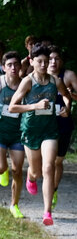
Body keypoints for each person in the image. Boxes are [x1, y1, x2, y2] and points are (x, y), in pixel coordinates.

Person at [9, 44, 73, 225]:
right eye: (40, 62)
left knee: (48, 167)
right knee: (36, 171)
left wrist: (67, 108)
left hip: (50, 130)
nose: (44, 65)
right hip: (30, 131)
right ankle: (30, 177)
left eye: (47, 61)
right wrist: (34, 106)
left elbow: (66, 95)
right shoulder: (27, 81)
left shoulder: (55, 81)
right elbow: (13, 106)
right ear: (31, 61)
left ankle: (47, 213)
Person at [48, 46, 77, 207]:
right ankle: (45, 186)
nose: (53, 62)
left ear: (61, 61)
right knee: (46, 160)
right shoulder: (38, 76)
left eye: (56, 58)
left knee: (57, 161)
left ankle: (54, 189)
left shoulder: (68, 75)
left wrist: (70, 96)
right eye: (50, 59)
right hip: (44, 123)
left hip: (63, 122)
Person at [0, 51, 26, 218]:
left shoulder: (25, 84)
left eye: (16, 64)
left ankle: (14, 205)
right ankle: (3, 169)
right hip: (0, 132)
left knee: (17, 170)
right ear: (3, 68)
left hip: (17, 134)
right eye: (9, 65)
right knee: (2, 167)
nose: (13, 68)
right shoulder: (0, 83)